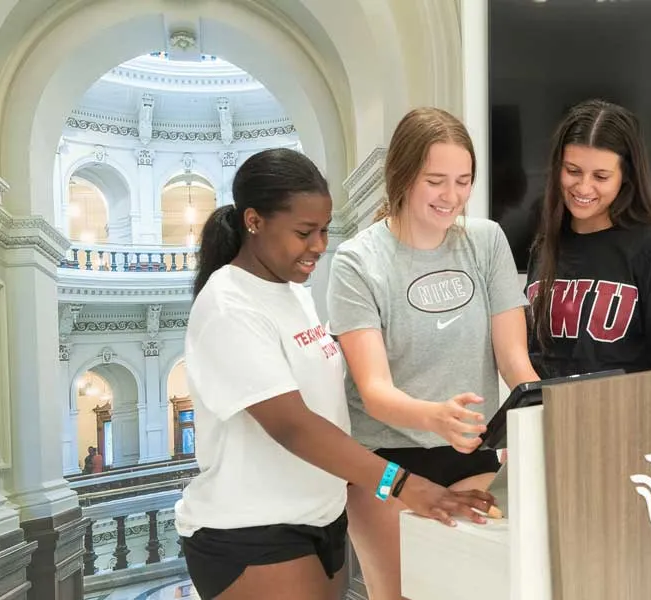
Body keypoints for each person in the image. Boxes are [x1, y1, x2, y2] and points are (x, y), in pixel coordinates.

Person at [173, 148, 494, 600]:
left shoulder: (291, 293)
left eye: (323, 230)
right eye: (304, 232)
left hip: (321, 519)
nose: (320, 246)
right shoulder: (227, 305)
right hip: (254, 530)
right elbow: (294, 427)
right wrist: (403, 485)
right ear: (254, 221)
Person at [327, 107, 539, 600]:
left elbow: (514, 361)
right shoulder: (359, 261)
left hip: (471, 452)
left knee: (481, 587)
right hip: (384, 463)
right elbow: (374, 392)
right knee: (398, 594)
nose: (452, 197)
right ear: (402, 176)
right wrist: (434, 417)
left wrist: (541, 409)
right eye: (436, 181)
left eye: (463, 181)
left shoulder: (485, 242)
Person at [526, 99, 651, 379]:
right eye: (573, 171)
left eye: (601, 176)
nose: (583, 187)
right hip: (550, 416)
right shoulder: (545, 246)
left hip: (627, 417)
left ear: (625, 177)